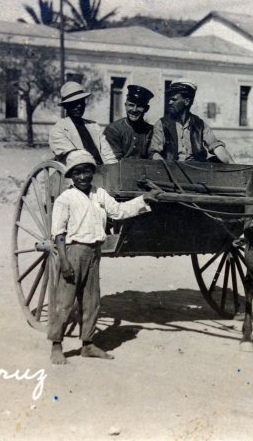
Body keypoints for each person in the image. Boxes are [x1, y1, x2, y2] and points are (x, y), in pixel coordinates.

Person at [49, 150, 158, 364]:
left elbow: (118, 211)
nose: (83, 177)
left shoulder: (100, 194)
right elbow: (59, 234)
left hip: (94, 252)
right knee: (65, 300)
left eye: (87, 172)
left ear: (93, 172)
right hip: (73, 252)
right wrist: (63, 260)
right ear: (71, 176)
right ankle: (56, 346)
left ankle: (88, 345)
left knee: (91, 301)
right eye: (78, 173)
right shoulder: (66, 199)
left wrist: (143, 199)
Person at [148, 80, 234, 163]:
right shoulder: (162, 124)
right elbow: (154, 153)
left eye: (174, 100)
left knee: (218, 161)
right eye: (169, 99)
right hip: (172, 169)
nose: (170, 102)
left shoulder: (199, 124)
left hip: (197, 171)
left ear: (187, 101)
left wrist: (233, 166)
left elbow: (216, 146)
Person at [49, 81, 117, 165]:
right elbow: (73, 157)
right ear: (66, 106)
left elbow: (108, 155)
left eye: (81, 102)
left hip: (102, 172)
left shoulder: (94, 126)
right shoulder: (58, 130)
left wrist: (112, 171)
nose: (79, 106)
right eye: (74, 103)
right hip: (79, 174)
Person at [102, 85, 155, 160]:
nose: (134, 110)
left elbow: (152, 155)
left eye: (139, 106)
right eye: (131, 105)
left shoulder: (150, 131)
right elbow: (114, 160)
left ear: (146, 109)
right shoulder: (113, 130)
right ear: (125, 105)